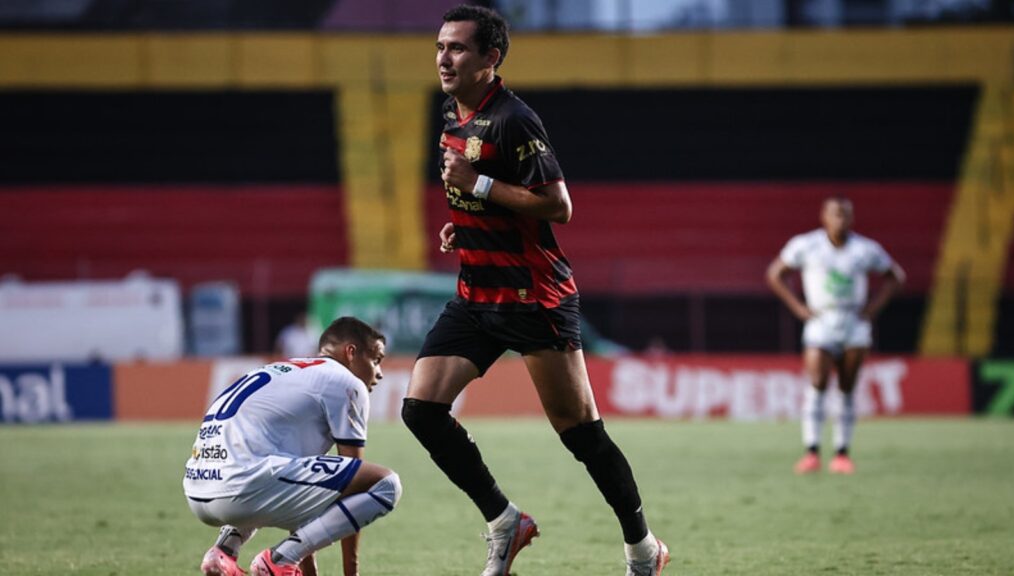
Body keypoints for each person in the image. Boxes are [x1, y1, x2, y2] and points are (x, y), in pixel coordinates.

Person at [401, 6, 669, 576]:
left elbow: (558, 206)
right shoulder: (452, 113)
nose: (444, 58)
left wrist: (478, 186)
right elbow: (487, 199)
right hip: (476, 295)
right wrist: (465, 218)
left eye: (457, 49)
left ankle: (644, 548)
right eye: (440, 47)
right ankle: (505, 522)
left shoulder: (514, 119)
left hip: (533, 299)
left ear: (490, 59)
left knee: (581, 435)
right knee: (421, 410)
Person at [183, 317, 400, 576]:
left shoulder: (286, 370)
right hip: (242, 486)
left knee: (278, 473)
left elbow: (304, 494)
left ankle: (224, 550)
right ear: (351, 352)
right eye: (376, 359)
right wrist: (350, 572)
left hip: (198, 490)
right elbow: (352, 484)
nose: (379, 372)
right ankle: (280, 559)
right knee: (386, 485)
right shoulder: (345, 382)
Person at [766, 196, 905, 475]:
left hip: (853, 321)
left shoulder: (865, 249)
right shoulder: (806, 245)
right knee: (817, 382)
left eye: (845, 215)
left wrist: (873, 309)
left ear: (852, 219)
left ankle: (842, 453)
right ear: (824, 217)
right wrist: (798, 307)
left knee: (847, 386)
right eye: (835, 214)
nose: (840, 220)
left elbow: (896, 276)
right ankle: (812, 451)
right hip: (821, 319)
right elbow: (775, 273)